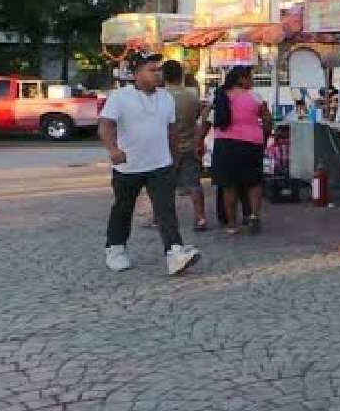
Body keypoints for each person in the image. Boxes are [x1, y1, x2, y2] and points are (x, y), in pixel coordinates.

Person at [98, 53, 201, 275]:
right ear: (136, 74)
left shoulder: (166, 98)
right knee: (123, 208)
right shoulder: (120, 97)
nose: (158, 73)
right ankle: (115, 248)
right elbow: (106, 126)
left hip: (160, 164)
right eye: (152, 70)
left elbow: (171, 131)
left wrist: (174, 157)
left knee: (166, 209)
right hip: (129, 166)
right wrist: (113, 150)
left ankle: (174, 252)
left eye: (159, 69)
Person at [207, 66, 272, 235]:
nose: (252, 81)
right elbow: (267, 121)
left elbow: (209, 118)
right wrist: (264, 137)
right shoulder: (255, 96)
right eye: (250, 77)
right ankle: (254, 216)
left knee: (229, 185)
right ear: (241, 79)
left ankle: (231, 224)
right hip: (251, 143)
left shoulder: (222, 96)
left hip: (225, 144)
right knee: (254, 183)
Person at [163, 60, 208, 232]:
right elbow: (201, 114)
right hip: (189, 145)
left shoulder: (160, 96)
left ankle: (161, 217)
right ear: (181, 75)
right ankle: (200, 217)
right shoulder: (191, 96)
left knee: (164, 186)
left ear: (164, 76)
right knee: (194, 184)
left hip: (167, 148)